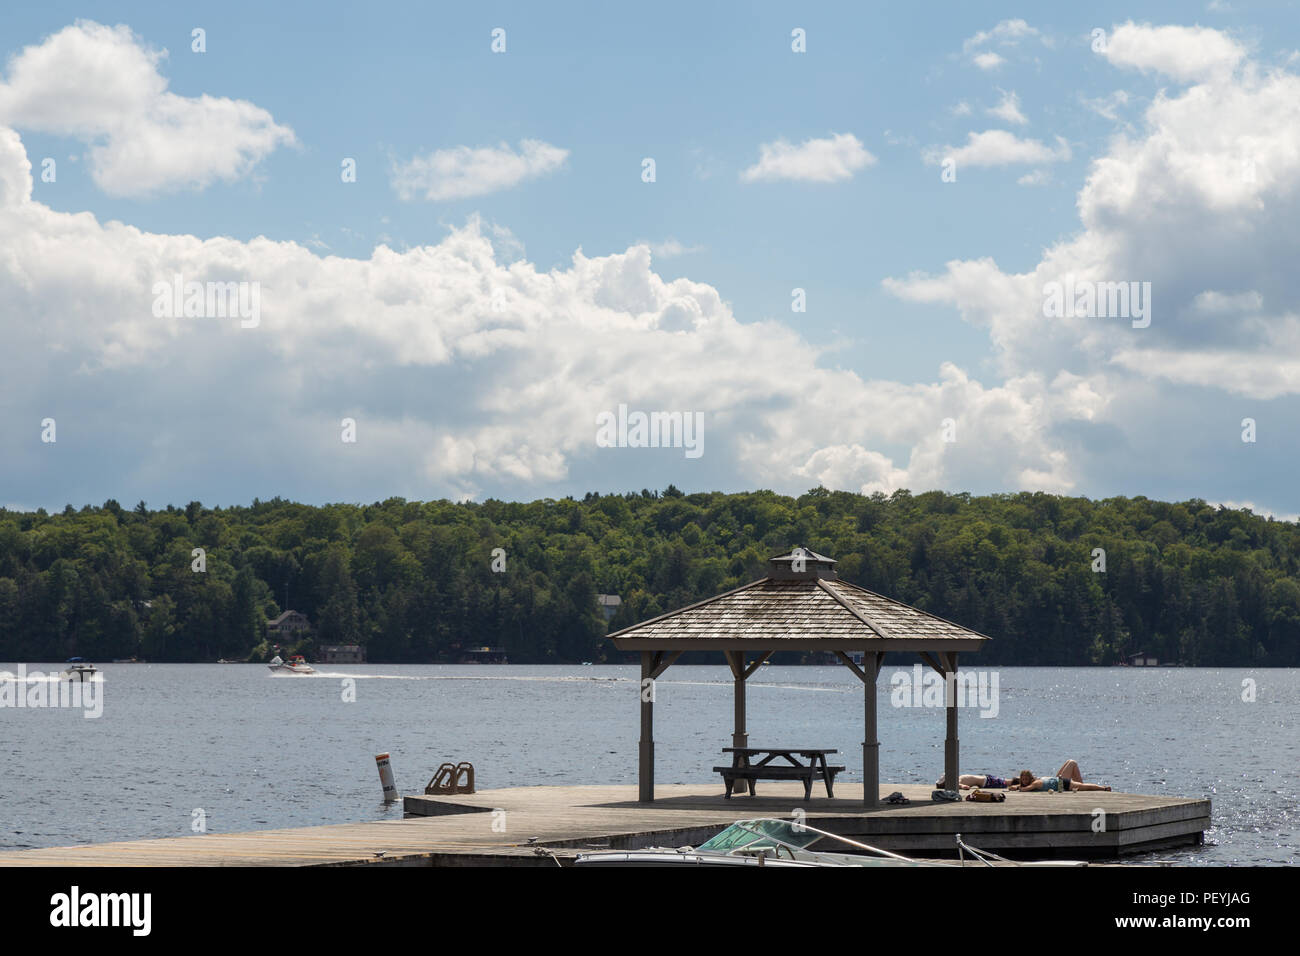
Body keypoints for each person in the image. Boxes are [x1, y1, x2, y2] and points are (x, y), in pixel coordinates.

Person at [1011, 760, 1111, 792]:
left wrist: (1017, 788)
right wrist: (1014, 787)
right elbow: (1023, 786)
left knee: (1083, 787)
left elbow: (1026, 789)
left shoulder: (1035, 783)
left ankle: (1104, 788)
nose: (1024, 780)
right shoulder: (1031, 783)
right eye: (1022, 779)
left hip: (1061, 784)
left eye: (1025, 779)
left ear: (1030, 778)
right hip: (1057, 781)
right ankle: (1102, 788)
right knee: (1071, 763)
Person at [936, 772, 1013, 790]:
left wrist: (964, 787)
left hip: (987, 781)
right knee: (1008, 782)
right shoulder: (959, 778)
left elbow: (962, 786)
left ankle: (1021, 781)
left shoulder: (958, 780)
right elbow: (961, 785)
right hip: (986, 780)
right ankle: (1021, 781)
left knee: (1009, 783)